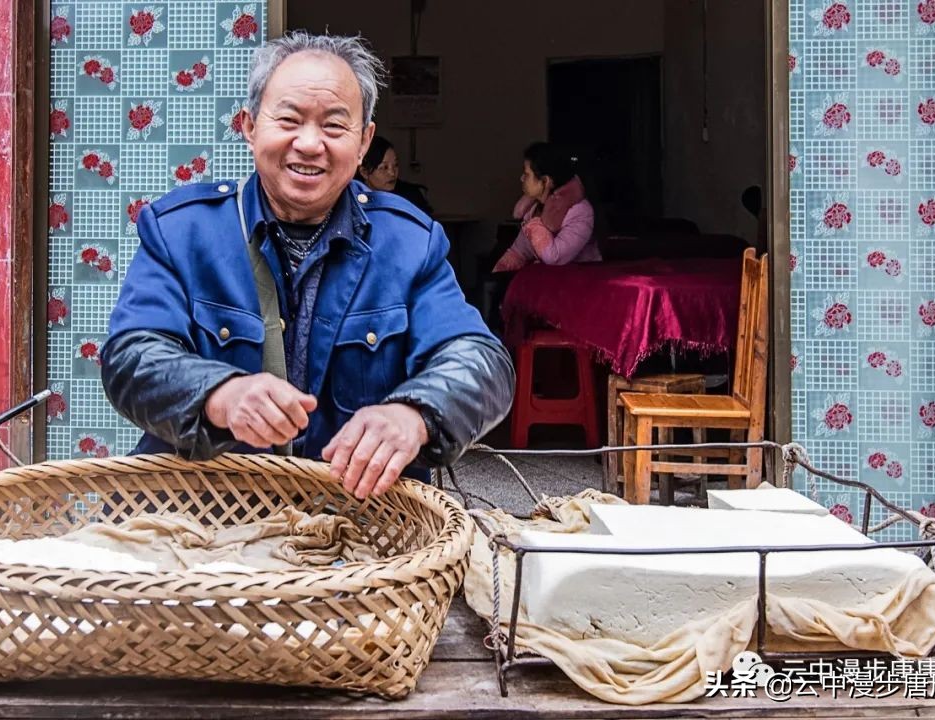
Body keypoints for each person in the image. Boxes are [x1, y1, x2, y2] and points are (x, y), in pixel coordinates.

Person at [101, 32, 514, 500]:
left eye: (335, 126)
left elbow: (481, 362)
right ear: (250, 126)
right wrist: (220, 395)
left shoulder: (409, 242)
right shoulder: (181, 231)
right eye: (289, 119)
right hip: (199, 517)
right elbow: (132, 356)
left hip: (359, 521)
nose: (310, 143)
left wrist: (414, 415)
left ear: (363, 143)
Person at [492, 142, 600, 273]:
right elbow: (519, 251)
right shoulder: (534, 209)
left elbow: (555, 257)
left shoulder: (580, 212)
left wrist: (534, 226)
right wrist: (501, 270)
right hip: (548, 285)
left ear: (545, 181)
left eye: (526, 174)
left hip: (578, 285)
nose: (521, 179)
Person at [356, 135, 433, 215]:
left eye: (395, 165)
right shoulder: (353, 199)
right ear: (364, 172)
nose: (392, 173)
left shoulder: (411, 196)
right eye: (384, 167)